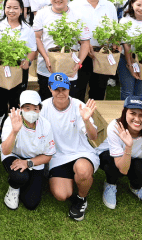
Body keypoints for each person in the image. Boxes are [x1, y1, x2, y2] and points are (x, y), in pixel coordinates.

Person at [41, 72, 98, 221]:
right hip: (57, 155)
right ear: (49, 88)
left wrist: (86, 120)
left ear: (69, 89)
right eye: (56, 89)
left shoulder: (79, 106)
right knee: (61, 195)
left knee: (83, 171)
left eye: (64, 89)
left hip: (80, 152)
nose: (60, 93)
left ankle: (81, 198)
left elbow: (93, 136)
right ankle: (73, 179)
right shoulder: (43, 107)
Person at [98, 96, 142, 211]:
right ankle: (110, 184)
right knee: (111, 164)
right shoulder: (114, 127)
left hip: (136, 160)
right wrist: (128, 146)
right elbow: (122, 170)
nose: (137, 119)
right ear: (124, 113)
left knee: (141, 169)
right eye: (133, 113)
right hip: (112, 159)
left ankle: (136, 188)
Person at [33, 0, 91, 99]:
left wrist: (79, 62)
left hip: (69, 69)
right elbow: (37, 38)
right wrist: (47, 58)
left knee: (67, 100)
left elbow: (85, 42)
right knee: (46, 100)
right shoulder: (42, 14)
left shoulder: (77, 15)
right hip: (46, 68)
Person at [0, 91, 55, 211]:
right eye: (27, 108)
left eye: (35, 108)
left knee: (31, 203)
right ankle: (14, 186)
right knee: (20, 177)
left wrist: (28, 163)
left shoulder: (46, 125)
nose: (31, 112)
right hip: (13, 155)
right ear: (20, 107)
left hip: (35, 160)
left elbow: (48, 155)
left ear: (40, 109)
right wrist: (14, 131)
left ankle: (29, 180)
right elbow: (5, 150)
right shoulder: (12, 120)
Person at [72, 0, 118, 102]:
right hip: (81, 53)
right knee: (78, 89)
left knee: (99, 89)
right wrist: (85, 45)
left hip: (101, 54)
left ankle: (95, 119)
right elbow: (71, 29)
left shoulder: (109, 6)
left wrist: (113, 43)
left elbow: (114, 29)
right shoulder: (74, 6)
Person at [0, 0, 37, 117]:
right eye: (8, 7)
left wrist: (28, 61)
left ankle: (13, 126)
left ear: (21, 10)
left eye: (15, 8)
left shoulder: (27, 29)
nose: (11, 11)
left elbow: (32, 50)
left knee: (16, 101)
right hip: (0, 67)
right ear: (4, 8)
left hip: (18, 69)